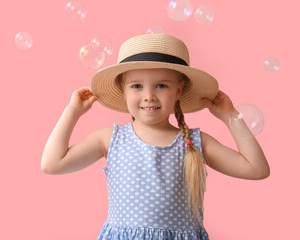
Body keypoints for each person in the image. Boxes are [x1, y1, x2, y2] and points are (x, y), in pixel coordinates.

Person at [41, 33, 270, 240]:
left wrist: (229, 116)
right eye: (137, 86)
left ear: (179, 90)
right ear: (123, 89)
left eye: (161, 85)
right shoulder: (110, 139)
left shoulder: (194, 142)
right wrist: (72, 112)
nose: (149, 96)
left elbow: (257, 169)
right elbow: (52, 164)